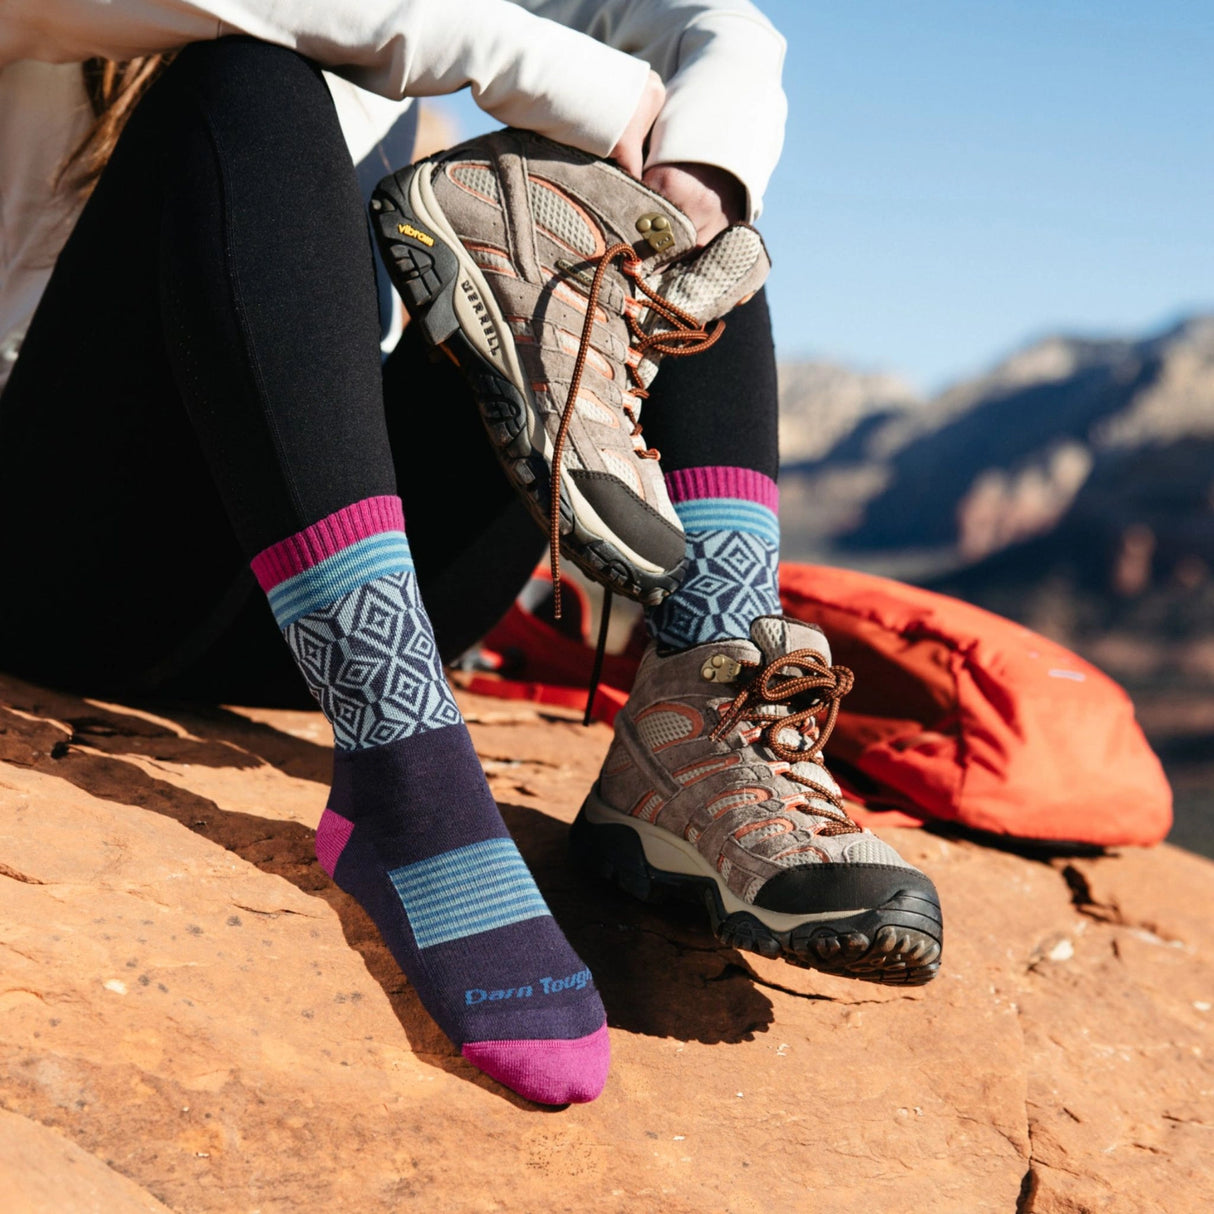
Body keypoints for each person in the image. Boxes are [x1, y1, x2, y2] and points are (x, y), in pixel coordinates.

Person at [0, 0, 941, 1108]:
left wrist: (694, 168)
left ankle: (702, 720)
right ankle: (406, 782)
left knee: (657, 216)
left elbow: (712, 26)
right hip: (54, 570)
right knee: (248, 81)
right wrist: (562, 72)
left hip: (309, 606)